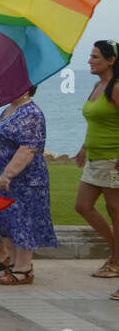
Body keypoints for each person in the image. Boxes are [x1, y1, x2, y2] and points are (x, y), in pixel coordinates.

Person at [0, 86, 57, 303]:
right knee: (5, 222)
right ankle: (16, 264)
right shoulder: (11, 110)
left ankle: (24, 268)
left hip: (22, 183)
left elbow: (28, 148)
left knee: (21, 222)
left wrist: (8, 174)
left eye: (9, 82)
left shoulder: (31, 113)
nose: (2, 87)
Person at [73, 40, 119, 284]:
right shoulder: (96, 86)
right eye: (90, 56)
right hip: (95, 158)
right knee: (82, 205)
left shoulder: (116, 87)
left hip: (113, 159)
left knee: (116, 212)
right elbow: (95, 122)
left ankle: (116, 262)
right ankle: (115, 251)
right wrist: (83, 148)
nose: (90, 60)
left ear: (111, 60)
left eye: (95, 57)